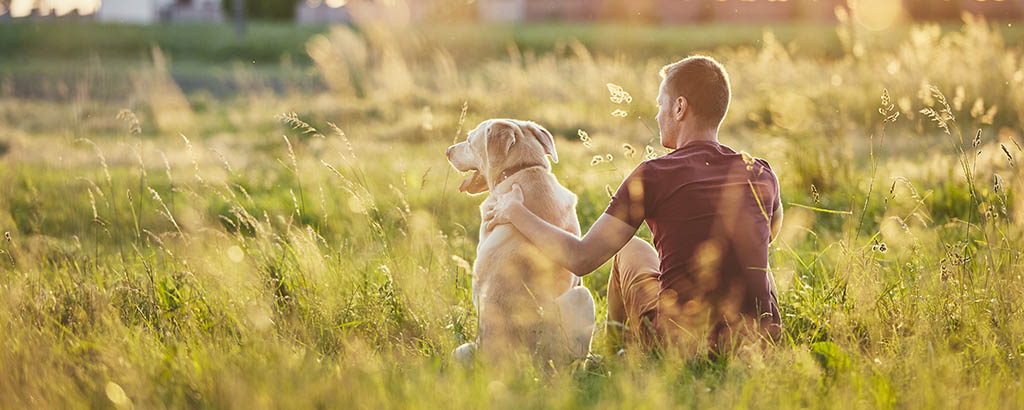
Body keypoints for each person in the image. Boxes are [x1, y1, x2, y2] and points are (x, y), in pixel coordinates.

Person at [483, 55, 784, 356]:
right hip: (759, 344)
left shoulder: (653, 175)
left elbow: (581, 258)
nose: (657, 115)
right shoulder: (762, 172)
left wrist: (515, 211)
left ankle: (617, 358)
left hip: (681, 344)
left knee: (627, 250)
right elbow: (767, 236)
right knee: (758, 264)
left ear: (679, 107)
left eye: (660, 104)